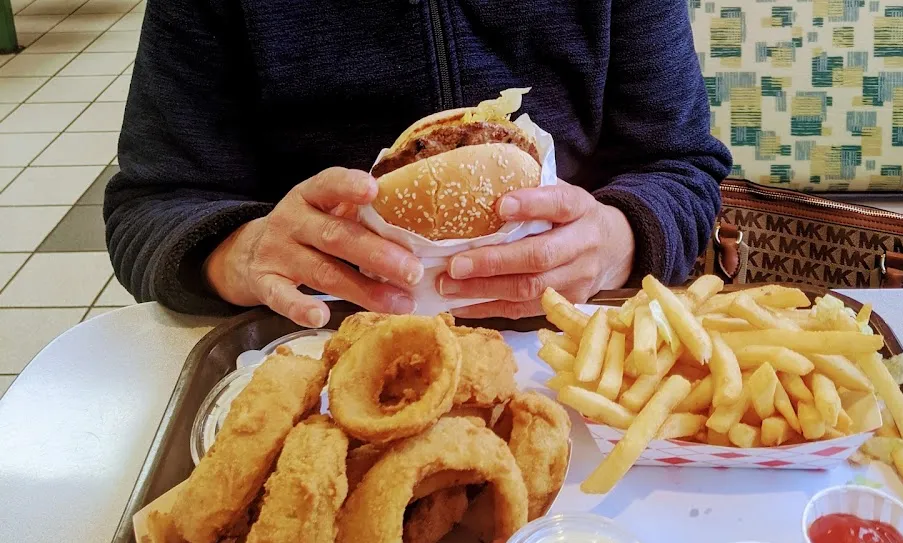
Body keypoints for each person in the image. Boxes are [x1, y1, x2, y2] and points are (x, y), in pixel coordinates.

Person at [105, 0, 731, 328]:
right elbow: (151, 205)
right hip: (316, 341)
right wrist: (242, 253)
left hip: (574, 340)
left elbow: (681, 164)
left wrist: (617, 240)